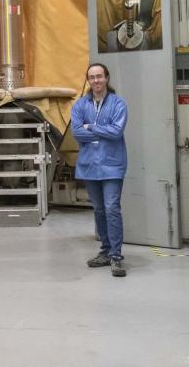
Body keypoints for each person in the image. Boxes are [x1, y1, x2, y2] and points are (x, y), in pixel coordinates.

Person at [70, 62, 128, 278]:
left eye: (99, 76)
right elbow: (77, 132)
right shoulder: (80, 105)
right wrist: (98, 131)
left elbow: (116, 131)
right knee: (98, 210)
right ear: (88, 80)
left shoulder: (118, 104)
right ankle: (105, 251)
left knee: (112, 207)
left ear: (106, 78)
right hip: (89, 165)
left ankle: (116, 257)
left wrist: (91, 127)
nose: (96, 80)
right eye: (92, 77)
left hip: (112, 165)